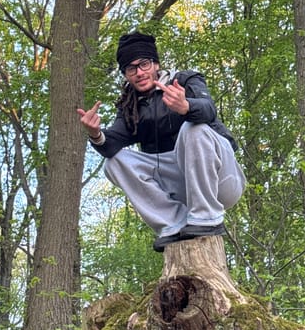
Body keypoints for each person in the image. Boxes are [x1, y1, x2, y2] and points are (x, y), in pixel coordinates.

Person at [77, 31, 246, 251]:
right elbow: (111, 144)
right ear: (126, 75)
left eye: (144, 64)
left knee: (193, 129)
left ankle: (207, 217)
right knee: (113, 163)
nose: (139, 72)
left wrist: (186, 107)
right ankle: (173, 223)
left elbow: (208, 110)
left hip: (221, 181)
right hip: (183, 189)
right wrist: (95, 133)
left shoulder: (185, 80)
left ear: (156, 64)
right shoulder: (131, 105)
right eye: (131, 68)